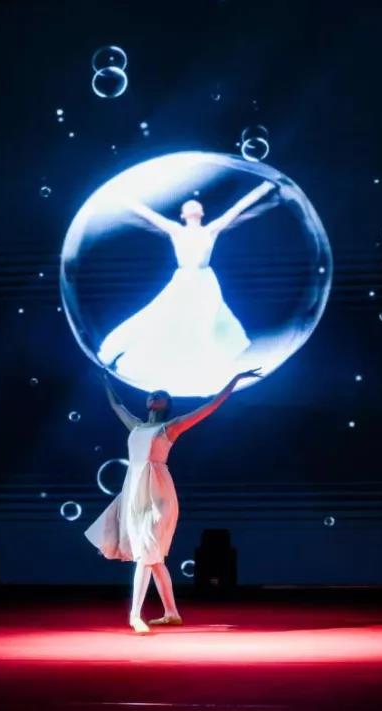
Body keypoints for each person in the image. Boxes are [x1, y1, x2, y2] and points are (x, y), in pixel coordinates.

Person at [84, 364, 263, 634]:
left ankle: (135, 615)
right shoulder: (136, 426)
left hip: (158, 494)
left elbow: (209, 407)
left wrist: (235, 380)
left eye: (160, 395)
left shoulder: (170, 427)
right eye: (152, 394)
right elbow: (116, 405)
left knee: (146, 554)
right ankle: (171, 613)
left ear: (167, 404)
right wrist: (105, 380)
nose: (153, 395)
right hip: (134, 493)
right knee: (154, 559)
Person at [95, 181, 276, 396]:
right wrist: (119, 196)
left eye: (195, 204)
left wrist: (264, 187)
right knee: (159, 318)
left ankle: (201, 373)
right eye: (187, 205)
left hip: (205, 282)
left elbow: (237, 209)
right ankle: (130, 355)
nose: (192, 206)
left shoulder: (211, 230)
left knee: (203, 325)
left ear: (202, 212)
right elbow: (147, 213)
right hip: (183, 281)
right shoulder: (175, 230)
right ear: (182, 215)